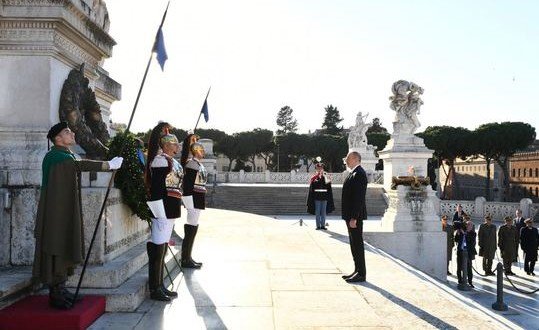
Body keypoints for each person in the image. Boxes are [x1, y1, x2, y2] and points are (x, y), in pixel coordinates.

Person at [32, 122, 123, 309]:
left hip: (62, 208)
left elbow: (75, 164)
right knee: (57, 242)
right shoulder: (56, 156)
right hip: (55, 211)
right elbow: (78, 165)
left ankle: (61, 288)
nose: (72, 133)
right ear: (58, 138)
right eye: (67, 132)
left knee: (64, 241)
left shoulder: (65, 154)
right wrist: (108, 165)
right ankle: (55, 294)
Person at [144, 122, 182, 301]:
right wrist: (159, 212)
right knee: (158, 248)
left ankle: (160, 285)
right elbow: (158, 188)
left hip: (171, 207)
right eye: (174, 143)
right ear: (166, 145)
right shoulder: (160, 160)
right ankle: (155, 288)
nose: (177, 146)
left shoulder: (171, 161)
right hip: (163, 207)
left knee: (163, 247)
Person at [180, 134, 207, 269]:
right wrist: (188, 201)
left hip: (198, 197)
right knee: (191, 226)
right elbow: (188, 184)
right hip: (193, 198)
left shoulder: (197, 164)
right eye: (201, 150)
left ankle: (188, 257)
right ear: (196, 151)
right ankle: (185, 259)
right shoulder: (192, 164)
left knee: (194, 226)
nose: (203, 152)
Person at [341, 151, 367, 283]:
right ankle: (357, 270)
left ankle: (361, 273)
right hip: (350, 216)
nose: (346, 161)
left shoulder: (360, 174)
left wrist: (354, 218)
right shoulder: (354, 173)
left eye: (348, 158)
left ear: (355, 159)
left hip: (354, 217)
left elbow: (359, 199)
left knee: (357, 244)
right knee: (353, 244)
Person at [306, 162, 335, 230]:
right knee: (318, 212)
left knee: (323, 212)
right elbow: (312, 189)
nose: (319, 169)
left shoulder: (326, 176)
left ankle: (323, 225)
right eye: (318, 168)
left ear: (323, 168)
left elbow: (329, 187)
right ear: (316, 169)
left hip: (324, 196)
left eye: (321, 168)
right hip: (317, 196)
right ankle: (318, 225)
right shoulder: (314, 177)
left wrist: (324, 177)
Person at [455, 218, 477, 288]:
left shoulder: (473, 233)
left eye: (470, 226)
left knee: (469, 268)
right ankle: (460, 280)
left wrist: (464, 233)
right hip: (460, 252)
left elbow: (470, 240)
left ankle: (470, 282)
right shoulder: (461, 232)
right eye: (467, 225)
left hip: (468, 253)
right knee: (459, 267)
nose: (469, 227)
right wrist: (458, 234)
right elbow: (456, 240)